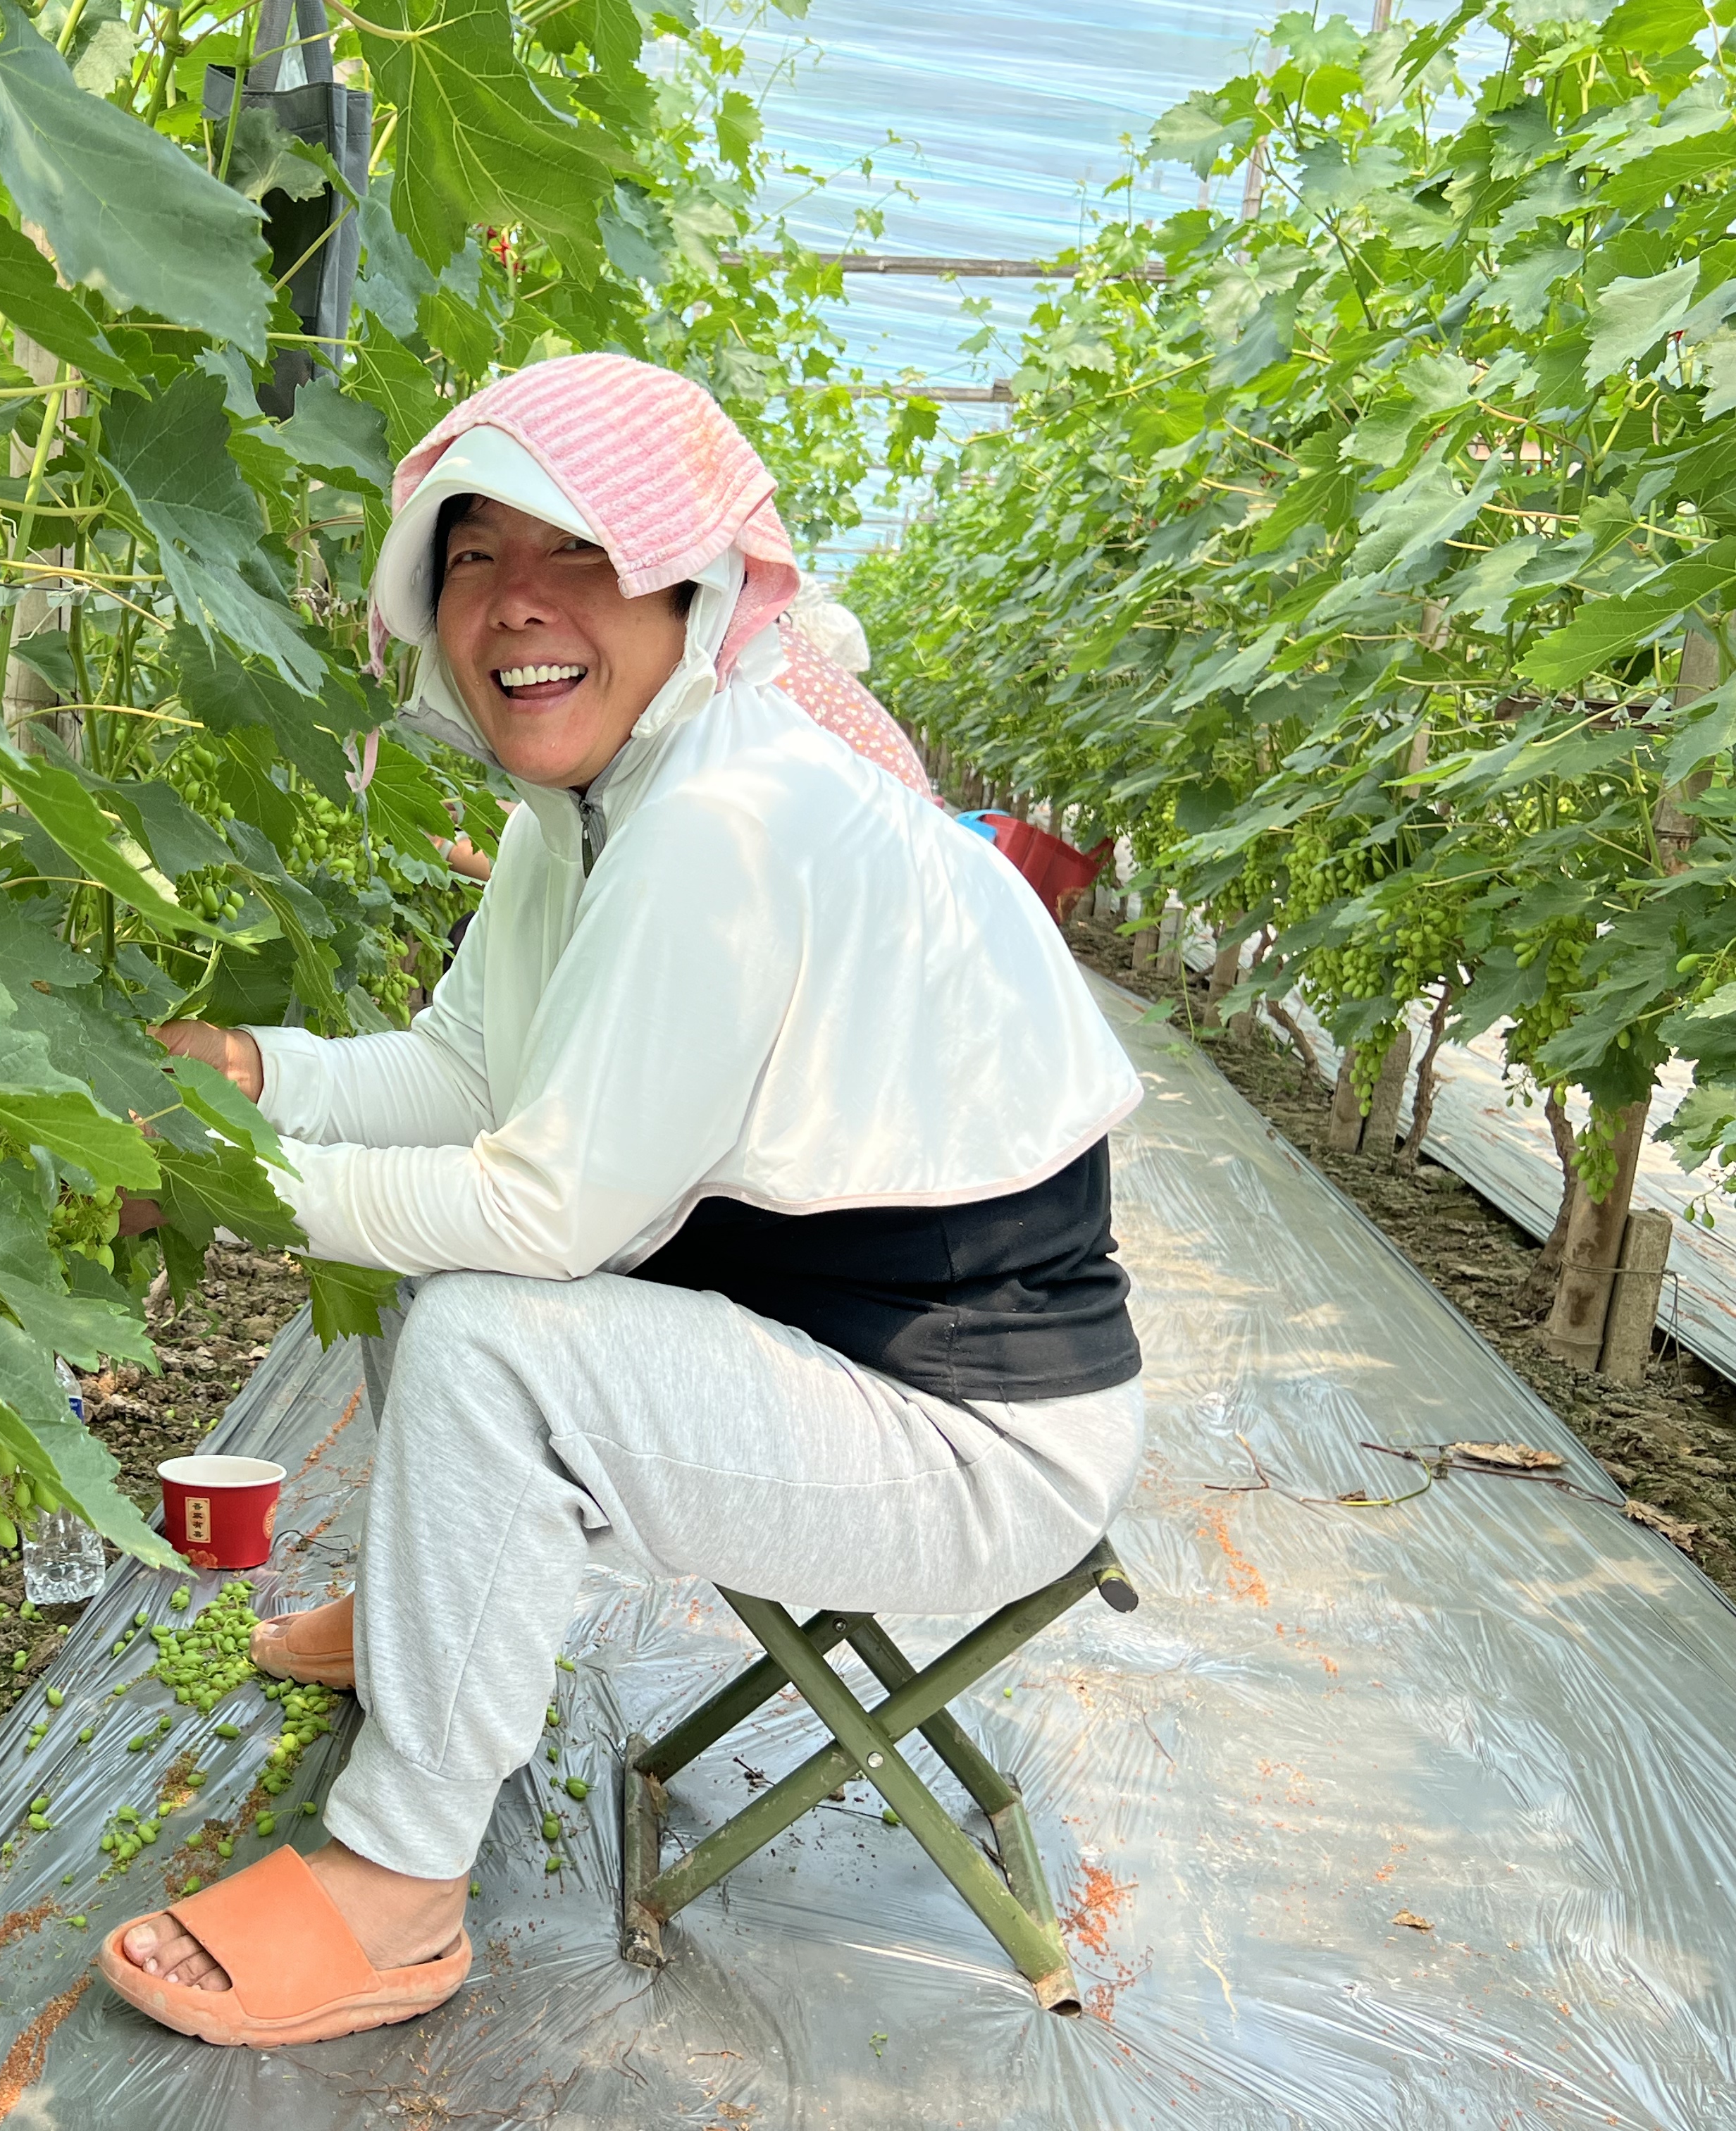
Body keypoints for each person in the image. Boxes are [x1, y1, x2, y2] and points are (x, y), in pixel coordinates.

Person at [96, 353, 1146, 2049]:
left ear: (690, 588)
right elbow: (464, 1073)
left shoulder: (731, 816)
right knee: (435, 1267)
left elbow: (549, 1214)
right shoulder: (586, 814)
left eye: (576, 552)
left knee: (488, 1331)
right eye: (472, 558)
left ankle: (397, 1890)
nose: (515, 603)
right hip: (813, 1351)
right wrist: (250, 1075)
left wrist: (222, 1175)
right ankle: (431, 1622)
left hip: (966, 1436)